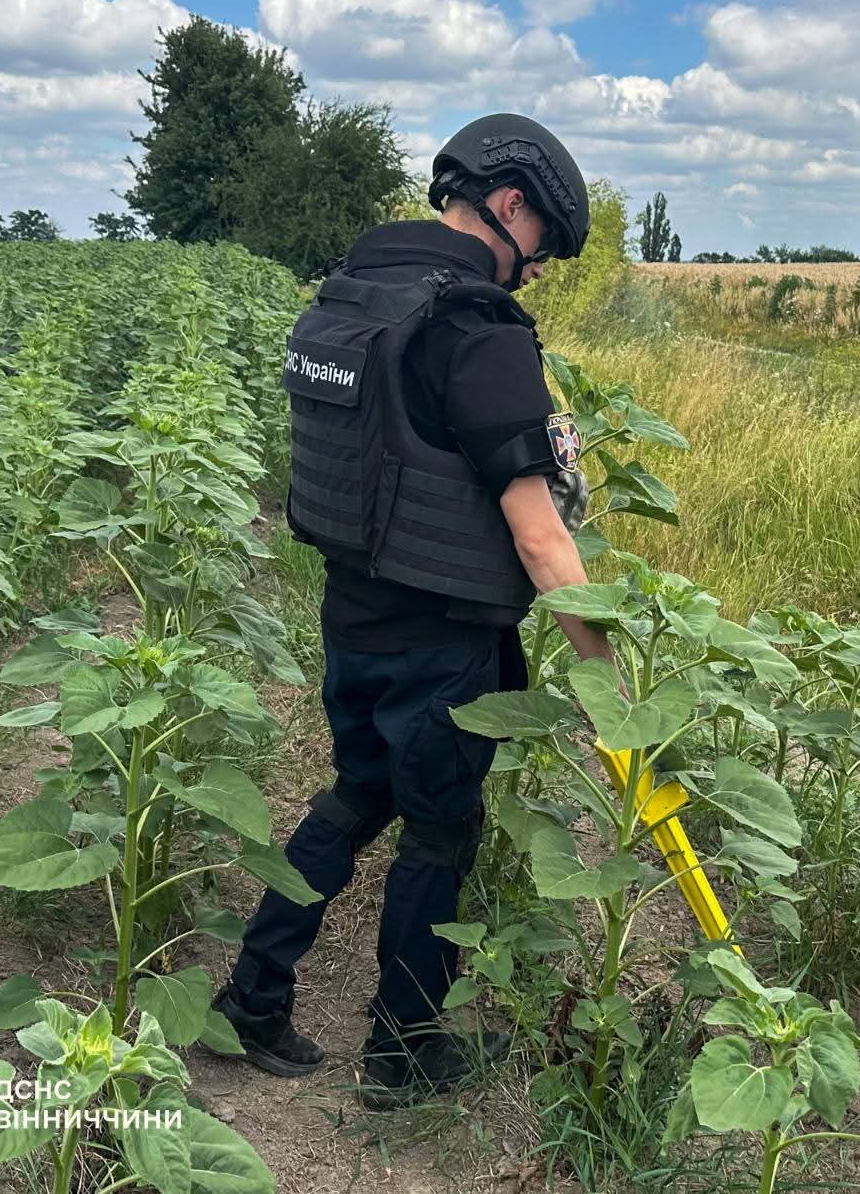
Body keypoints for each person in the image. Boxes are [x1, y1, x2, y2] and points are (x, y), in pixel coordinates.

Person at [208, 113, 616, 1110]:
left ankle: (251, 998)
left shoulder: (353, 297)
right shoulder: (475, 330)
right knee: (439, 832)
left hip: (352, 614)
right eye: (545, 246)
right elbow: (540, 538)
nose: (540, 270)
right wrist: (610, 678)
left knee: (356, 795)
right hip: (443, 639)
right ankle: (403, 1052)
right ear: (508, 203)